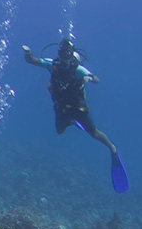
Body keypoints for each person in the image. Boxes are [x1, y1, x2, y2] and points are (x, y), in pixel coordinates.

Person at [23, 38, 128, 192]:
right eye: (62, 53)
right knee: (59, 131)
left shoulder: (78, 70)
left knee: (94, 133)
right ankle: (70, 121)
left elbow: (96, 79)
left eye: (67, 54)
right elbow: (32, 60)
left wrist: (89, 78)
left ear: (71, 54)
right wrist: (27, 53)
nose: (64, 57)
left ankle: (112, 148)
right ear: (59, 53)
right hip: (60, 107)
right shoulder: (53, 65)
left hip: (78, 109)